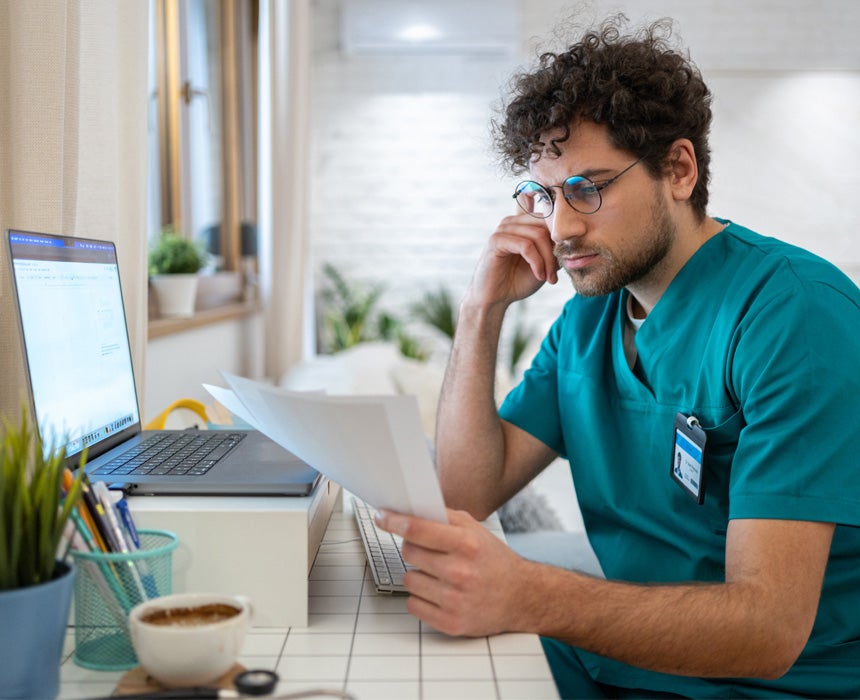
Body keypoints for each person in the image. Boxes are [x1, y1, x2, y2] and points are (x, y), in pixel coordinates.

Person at [374, 14, 860, 699]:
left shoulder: (793, 316)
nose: (562, 226)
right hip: (631, 660)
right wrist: (481, 311)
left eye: (588, 189)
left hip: (774, 686)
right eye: (546, 195)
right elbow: (465, 493)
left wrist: (532, 595)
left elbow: (769, 628)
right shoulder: (589, 321)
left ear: (679, 170)